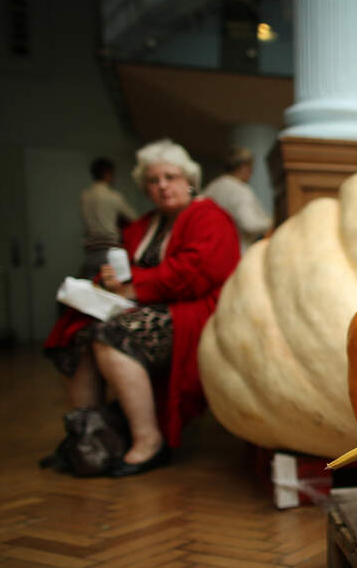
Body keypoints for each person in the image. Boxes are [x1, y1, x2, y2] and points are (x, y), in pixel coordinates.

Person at [45, 139, 240, 476]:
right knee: (78, 332)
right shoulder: (144, 224)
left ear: (188, 179)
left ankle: (148, 440)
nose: (163, 186)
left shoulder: (210, 217)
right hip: (146, 306)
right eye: (154, 180)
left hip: (193, 310)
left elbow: (196, 273)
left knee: (113, 335)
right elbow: (126, 272)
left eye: (170, 177)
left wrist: (133, 285)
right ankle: (89, 440)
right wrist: (110, 282)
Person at [202, 146, 272, 253]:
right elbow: (250, 224)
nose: (251, 173)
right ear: (243, 167)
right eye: (251, 168)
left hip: (210, 250)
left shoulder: (211, 187)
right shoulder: (240, 190)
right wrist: (271, 222)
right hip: (237, 252)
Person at [80, 156, 138, 279]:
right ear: (108, 173)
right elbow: (134, 220)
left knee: (90, 290)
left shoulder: (85, 196)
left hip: (90, 252)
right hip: (110, 251)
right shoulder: (113, 196)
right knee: (113, 291)